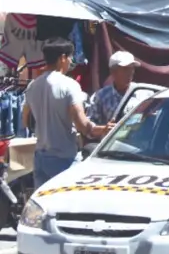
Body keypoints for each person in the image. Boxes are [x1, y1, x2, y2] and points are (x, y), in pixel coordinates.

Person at [22, 38, 113, 187]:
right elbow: (83, 125)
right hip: (64, 159)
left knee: (44, 205)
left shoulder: (33, 85)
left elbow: (25, 121)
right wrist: (104, 129)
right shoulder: (69, 85)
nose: (71, 61)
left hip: (40, 157)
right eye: (70, 57)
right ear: (62, 58)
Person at [87, 50, 141, 125]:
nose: (130, 72)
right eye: (125, 69)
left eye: (132, 68)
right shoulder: (101, 97)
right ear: (113, 71)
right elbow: (89, 126)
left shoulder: (143, 93)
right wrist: (103, 129)